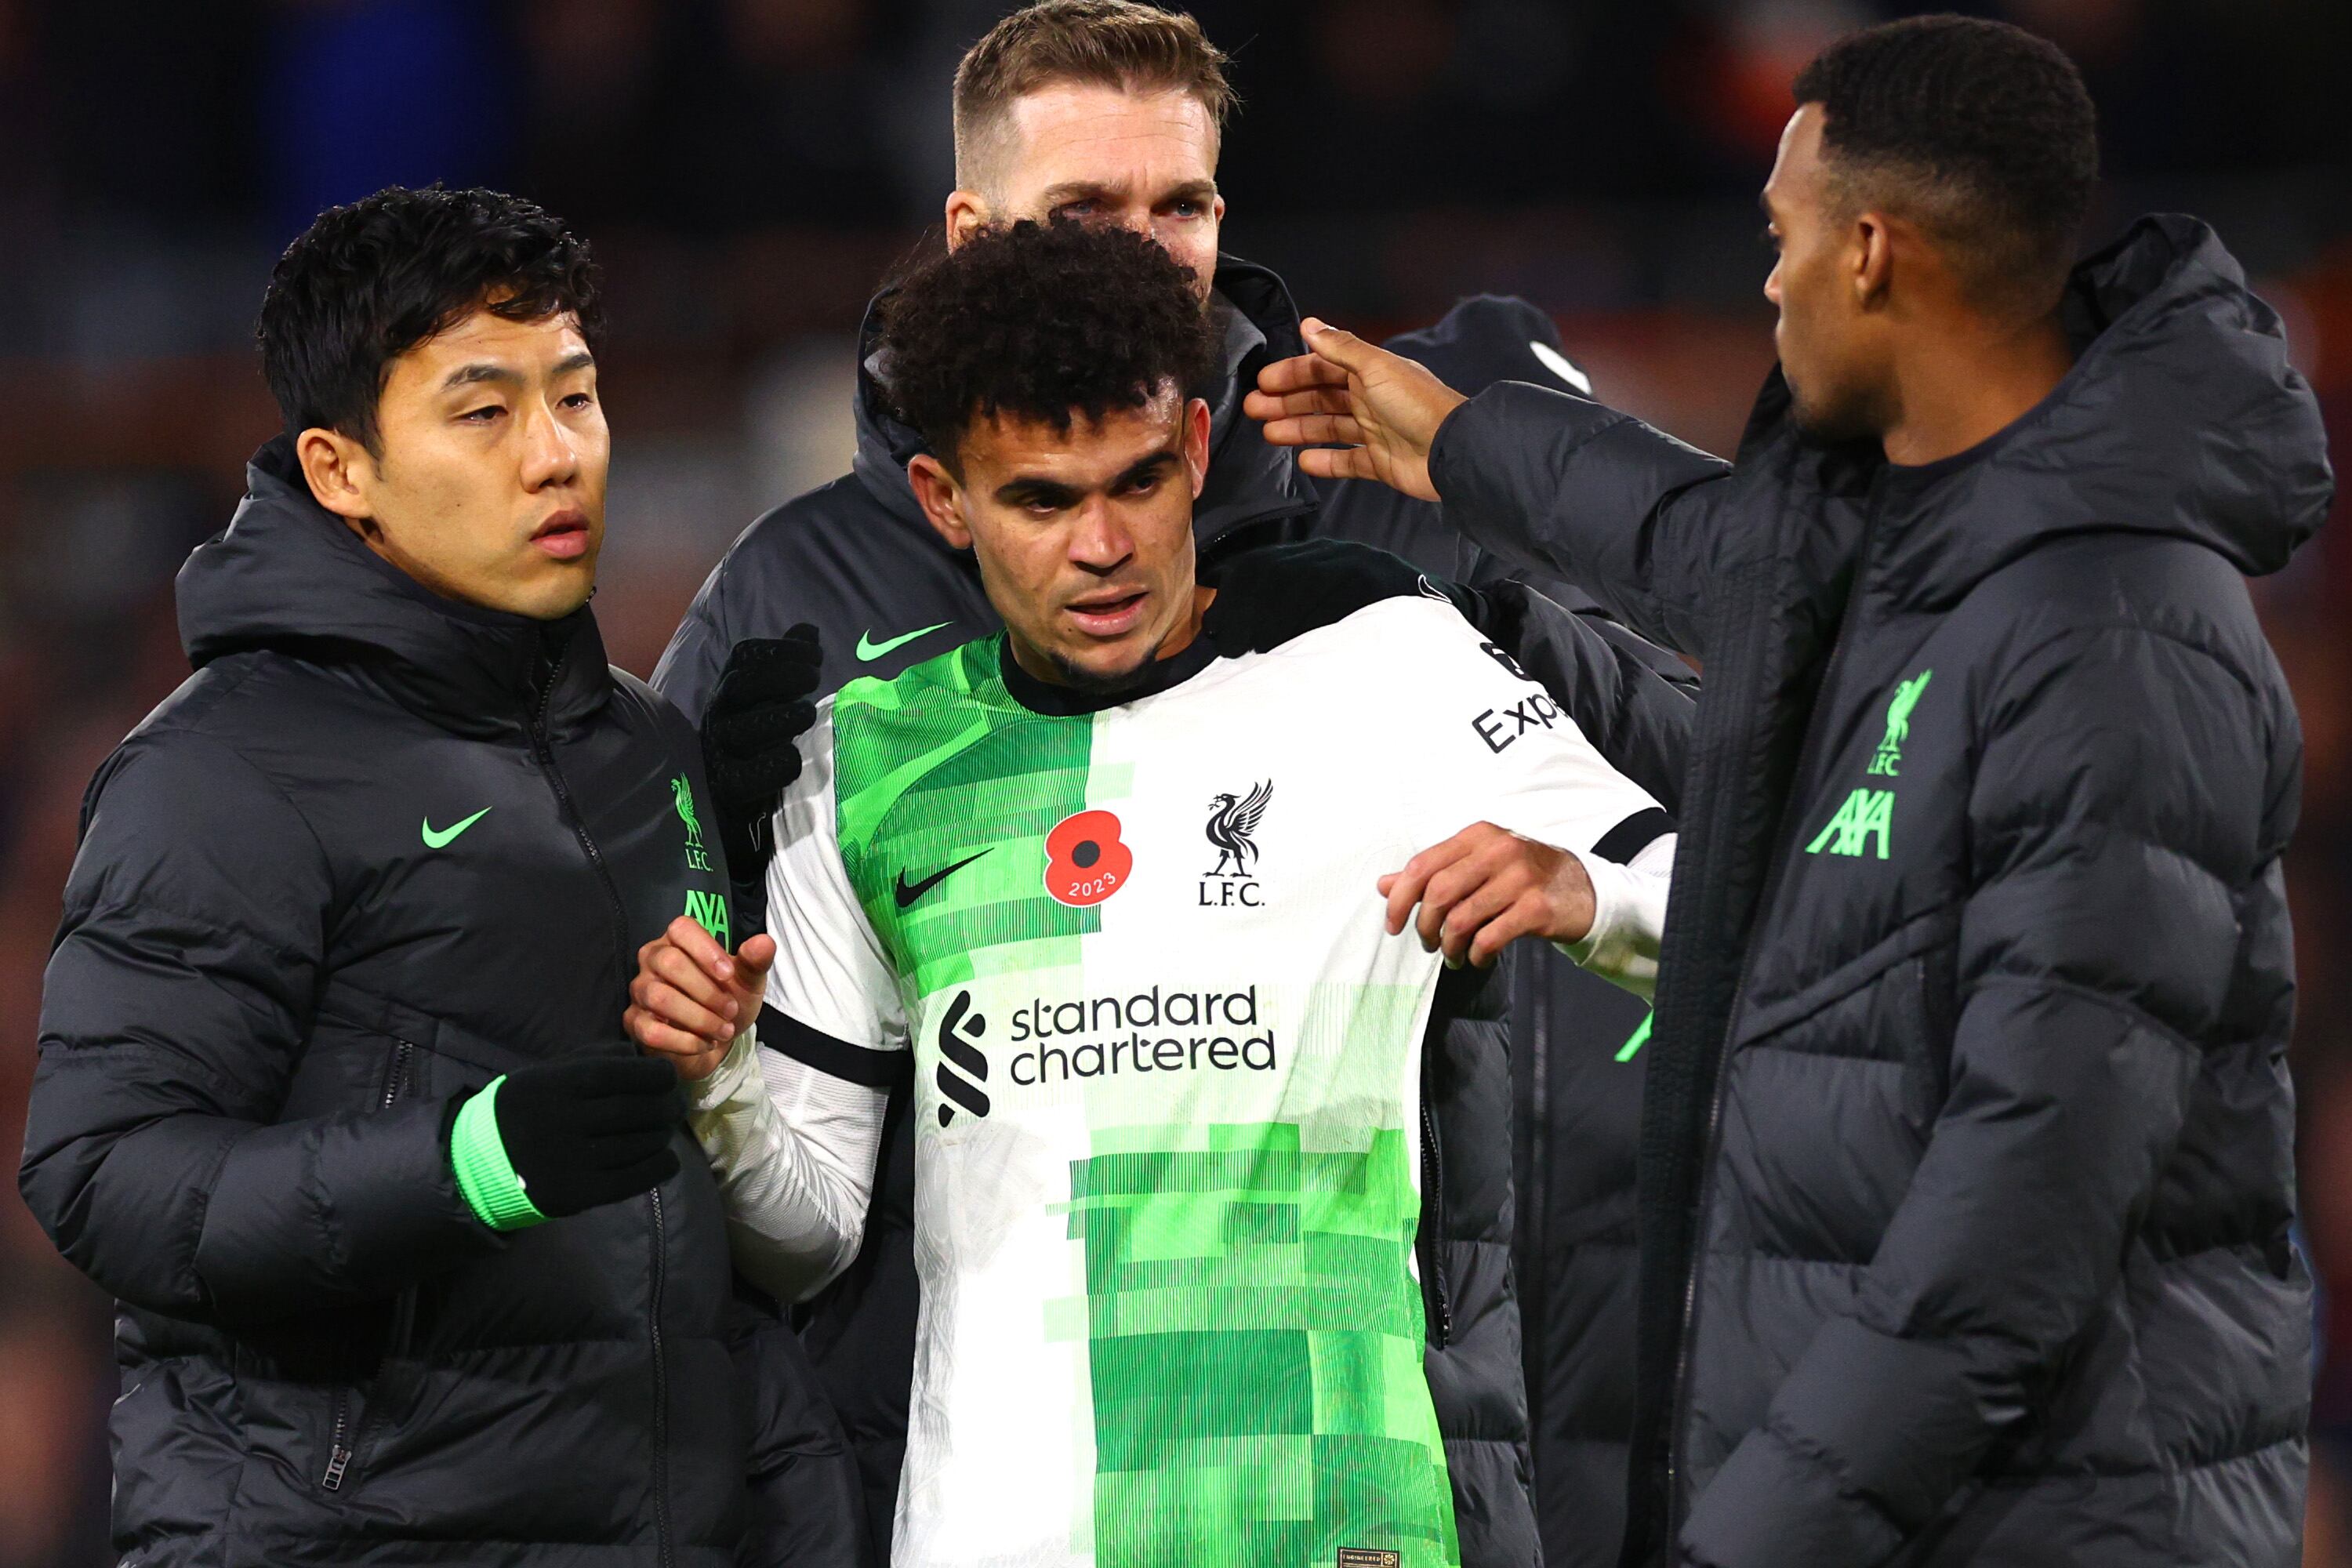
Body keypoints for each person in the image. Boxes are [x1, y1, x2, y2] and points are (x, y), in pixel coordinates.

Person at [1247, 16, 2331, 1567]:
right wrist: (1466, 440)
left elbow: (2016, 1221)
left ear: (1874, 251)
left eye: (1782, 233)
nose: (1765, 282)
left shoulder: (2116, 635)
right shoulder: (1924, 551)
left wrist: (1743, 1541)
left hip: (2058, 1515)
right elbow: (1713, 547)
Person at [655, 6, 1693, 1558]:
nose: (1150, 256)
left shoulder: (1389, 548)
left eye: (1184, 205)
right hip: (958, 1460)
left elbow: (1716, 818)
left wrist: (1516, 584)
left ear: (1196, 456)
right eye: (1089, 211)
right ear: (969, 231)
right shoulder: (802, 619)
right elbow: (744, 1090)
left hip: (1367, 1431)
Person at [16, 186, 844, 1566]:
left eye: (573, 398)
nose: (556, 455)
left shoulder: (650, 748)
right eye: (483, 412)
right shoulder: (225, 770)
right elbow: (106, 1179)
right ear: (341, 470)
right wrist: (474, 1162)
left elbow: (679, 1200)